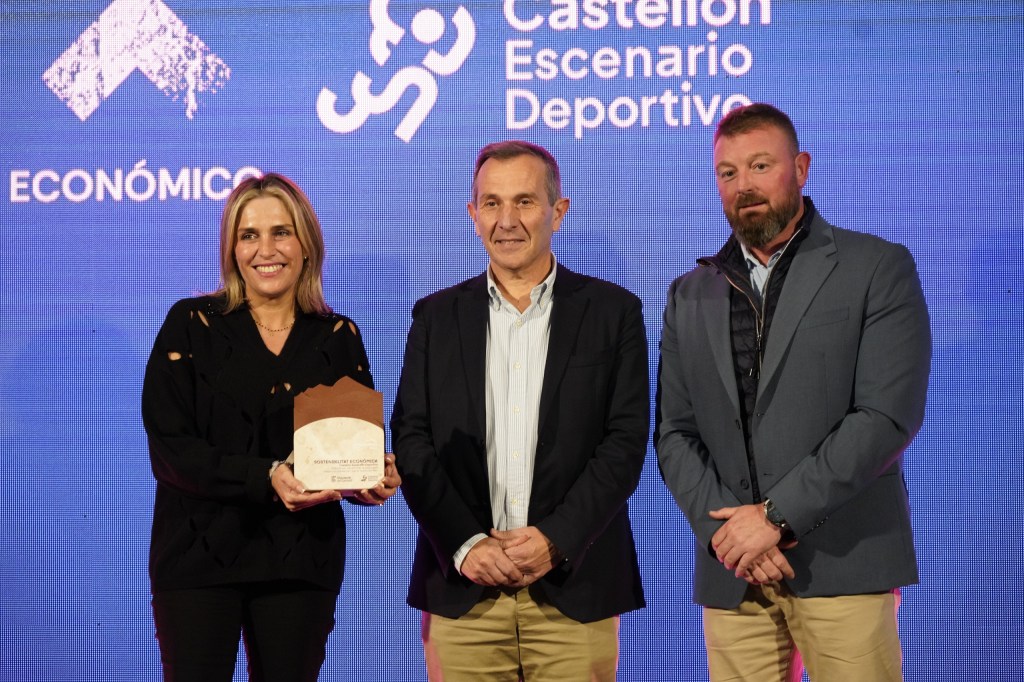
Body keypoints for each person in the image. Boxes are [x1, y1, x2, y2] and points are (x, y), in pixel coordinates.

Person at [656, 103, 931, 681]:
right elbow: (675, 433)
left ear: (801, 168)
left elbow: (885, 416)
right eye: (728, 172)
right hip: (735, 576)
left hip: (844, 565)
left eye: (760, 166)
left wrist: (774, 518)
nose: (744, 185)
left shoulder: (875, 266)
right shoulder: (689, 293)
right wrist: (728, 536)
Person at [391, 140, 648, 681]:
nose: (506, 220)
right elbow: (412, 440)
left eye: (525, 202)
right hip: (463, 592)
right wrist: (466, 545)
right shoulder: (435, 317)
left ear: (558, 211)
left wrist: (556, 539)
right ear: (473, 214)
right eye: (491, 203)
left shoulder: (613, 312)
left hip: (574, 589)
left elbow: (624, 443)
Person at [141, 172, 400, 681]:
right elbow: (171, 451)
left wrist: (372, 478)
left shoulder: (338, 335)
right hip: (197, 561)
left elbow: (346, 451)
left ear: (306, 244)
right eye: (249, 235)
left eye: (281, 232)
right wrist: (266, 476)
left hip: (299, 562)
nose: (266, 250)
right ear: (232, 249)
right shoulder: (190, 324)